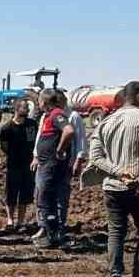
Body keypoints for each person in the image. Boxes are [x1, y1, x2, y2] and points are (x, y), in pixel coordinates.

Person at [87, 80, 139, 277]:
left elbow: (96, 157)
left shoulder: (106, 121)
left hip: (111, 187)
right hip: (136, 188)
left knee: (116, 233)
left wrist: (117, 171)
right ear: (137, 96)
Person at [32, 89, 74, 249]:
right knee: (47, 200)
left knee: (46, 199)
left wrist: (60, 150)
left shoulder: (57, 114)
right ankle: (53, 235)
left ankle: (52, 238)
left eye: (39, 101)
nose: (38, 104)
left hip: (50, 166)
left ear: (43, 102)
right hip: (46, 165)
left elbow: (69, 131)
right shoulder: (48, 116)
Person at [0, 99, 37, 232]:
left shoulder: (32, 125)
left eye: (27, 108)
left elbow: (34, 142)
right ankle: (10, 220)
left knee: (25, 194)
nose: (27, 110)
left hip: (29, 165)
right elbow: (4, 146)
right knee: (11, 193)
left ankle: (20, 222)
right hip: (13, 165)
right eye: (24, 108)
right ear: (16, 109)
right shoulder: (7, 128)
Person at [61, 99, 89, 232]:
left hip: (67, 161)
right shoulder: (49, 115)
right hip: (51, 162)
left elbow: (81, 140)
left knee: (62, 193)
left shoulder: (73, 116)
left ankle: (60, 223)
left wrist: (78, 160)